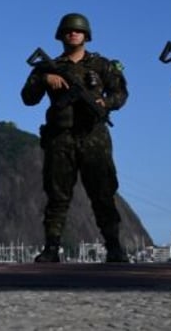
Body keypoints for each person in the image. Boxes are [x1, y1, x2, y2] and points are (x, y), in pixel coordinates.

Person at [21, 13, 129, 263]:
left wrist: (106, 102)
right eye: (68, 30)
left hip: (94, 136)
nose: (73, 33)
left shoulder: (102, 65)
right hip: (61, 137)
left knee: (103, 193)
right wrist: (44, 79)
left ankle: (114, 246)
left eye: (78, 30)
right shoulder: (47, 66)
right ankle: (51, 248)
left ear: (86, 35)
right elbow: (27, 97)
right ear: (61, 35)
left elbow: (120, 92)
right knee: (57, 195)